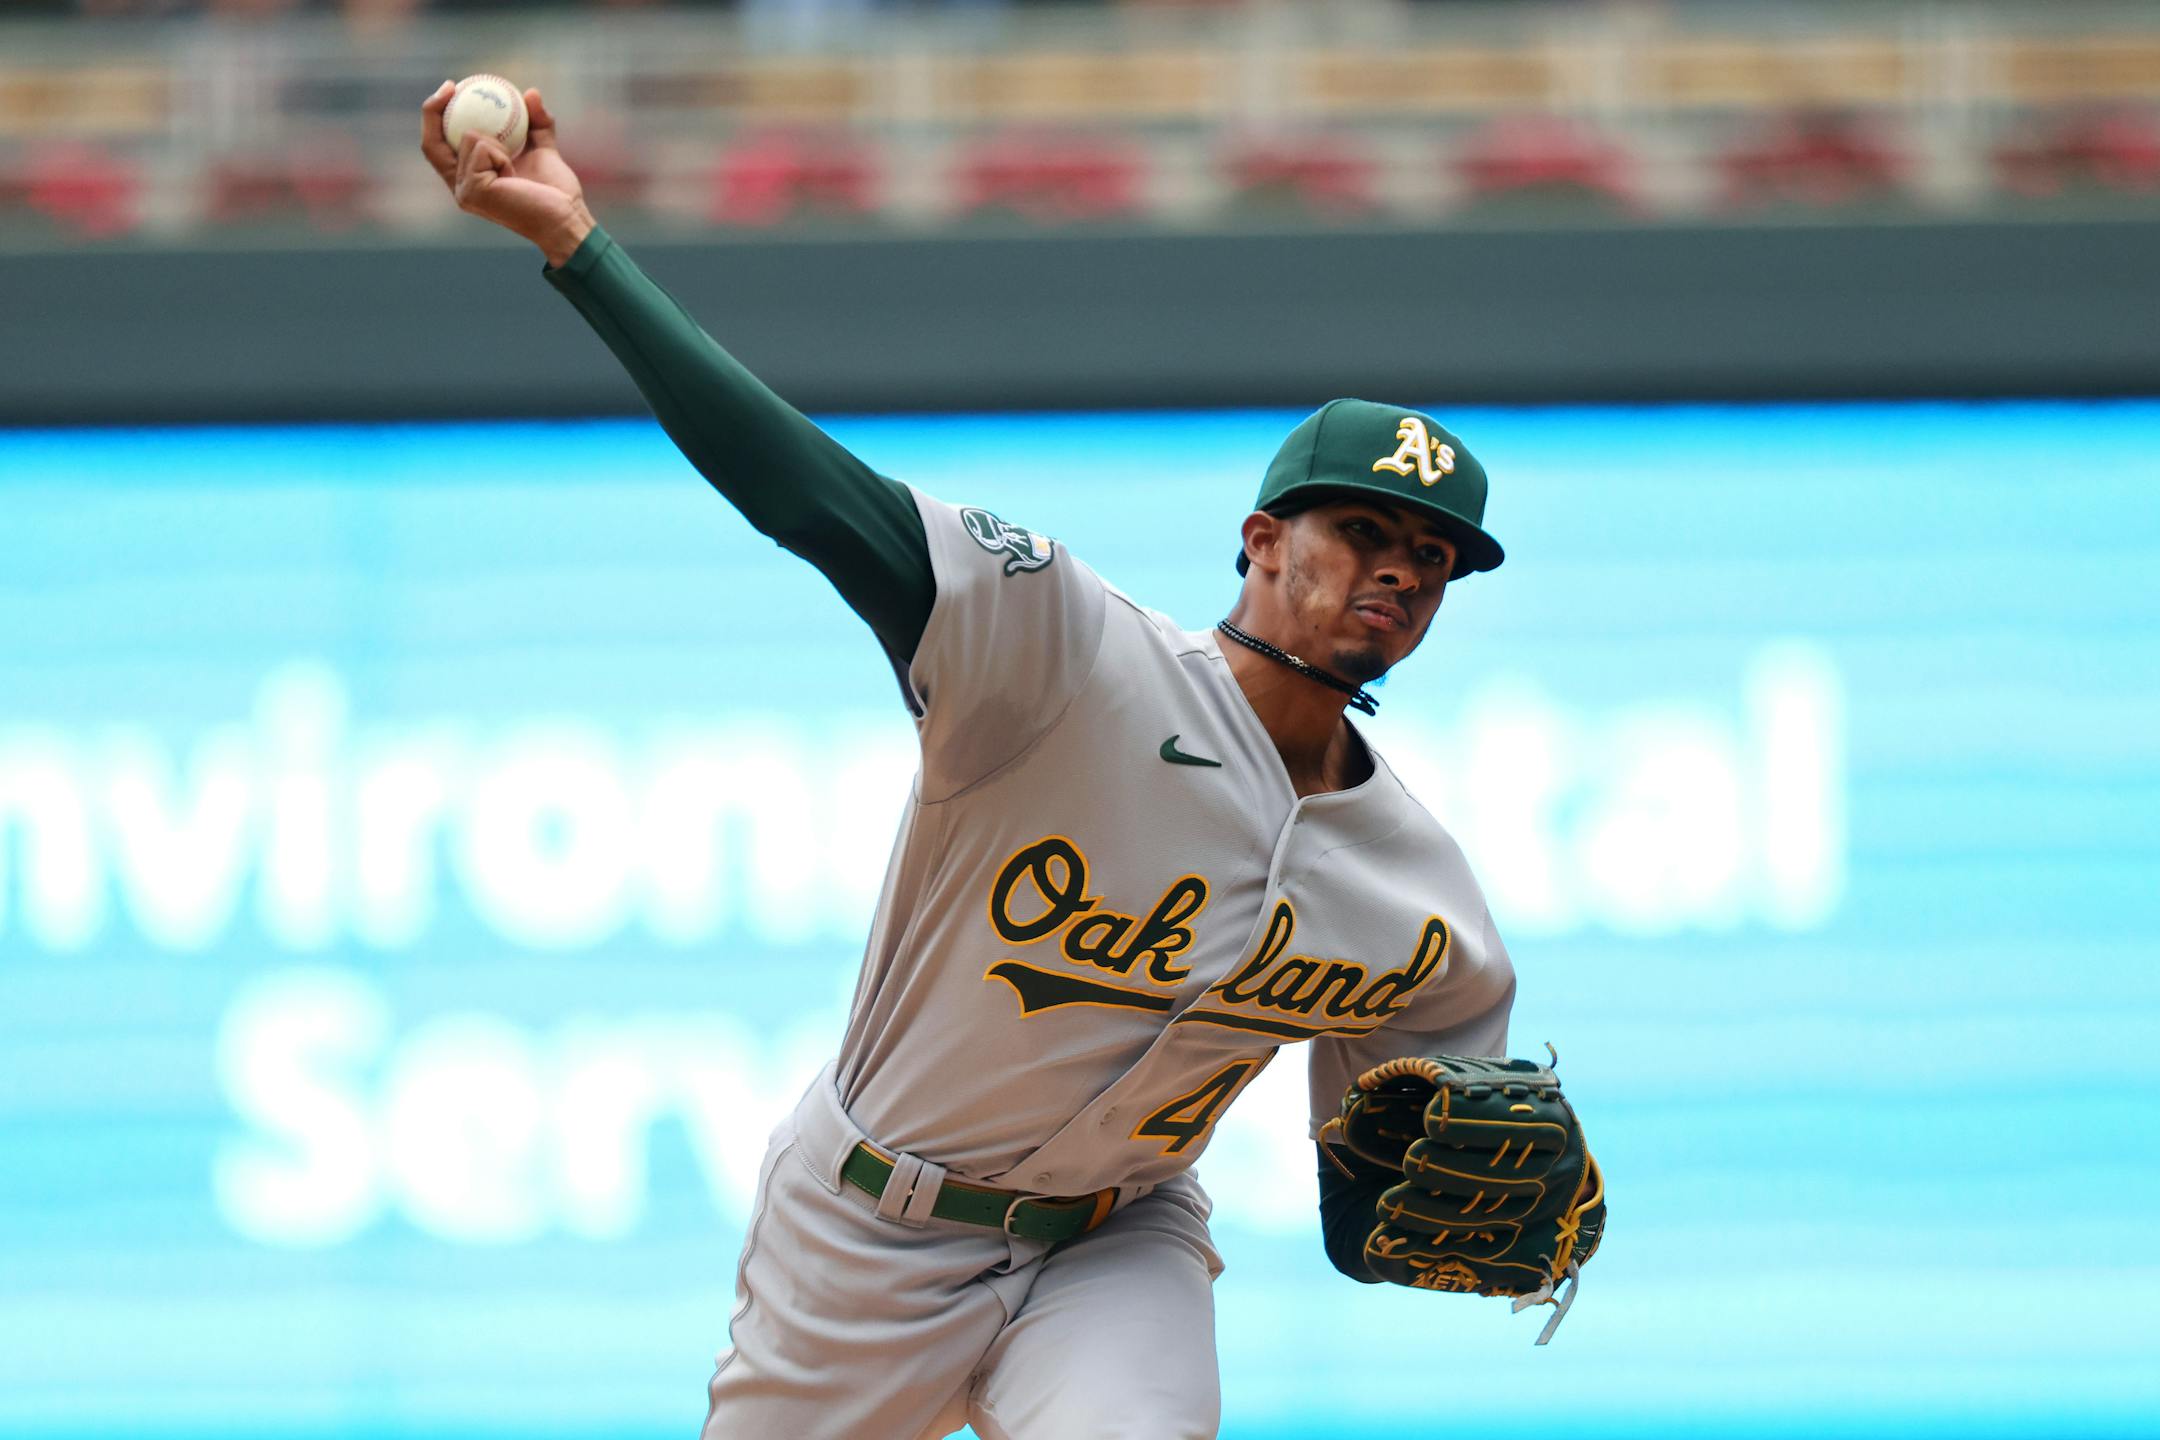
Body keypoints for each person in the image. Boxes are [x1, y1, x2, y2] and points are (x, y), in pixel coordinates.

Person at [420, 81, 1560, 1440]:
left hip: (1117, 1243)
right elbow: (807, 494)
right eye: (1360, 529)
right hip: (863, 1235)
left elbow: (1399, 1164)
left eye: (1430, 556)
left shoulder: (1421, 892)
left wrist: (1452, 1211)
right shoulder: (1066, 654)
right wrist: (584, 253)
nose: (1395, 568)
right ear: (1260, 541)